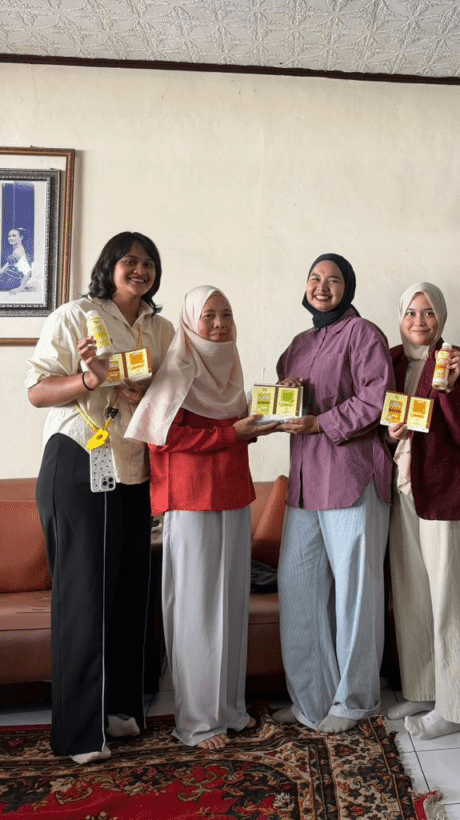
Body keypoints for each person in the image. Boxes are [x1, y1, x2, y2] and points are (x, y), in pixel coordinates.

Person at [26, 232, 174, 764]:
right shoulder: (75, 315)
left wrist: (143, 391)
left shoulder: (160, 329)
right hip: (77, 459)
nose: (140, 270)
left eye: (148, 263)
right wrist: (89, 379)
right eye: (129, 261)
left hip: (133, 465)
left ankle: (119, 711)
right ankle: (79, 733)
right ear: (109, 266)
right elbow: (37, 391)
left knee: (131, 592)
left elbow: (169, 394)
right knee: (84, 595)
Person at [126, 286, 277, 749]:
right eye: (209, 315)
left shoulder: (229, 366)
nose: (219, 324)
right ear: (191, 321)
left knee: (231, 605)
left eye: (226, 314)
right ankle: (196, 722)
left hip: (233, 495)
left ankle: (228, 709)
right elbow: (161, 438)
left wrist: (265, 415)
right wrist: (232, 433)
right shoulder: (177, 368)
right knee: (196, 609)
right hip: (190, 499)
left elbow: (233, 431)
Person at [270, 253, 394, 733]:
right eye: (315, 278)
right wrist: (285, 392)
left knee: (356, 597)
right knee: (298, 592)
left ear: (349, 287)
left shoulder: (364, 334)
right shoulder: (298, 344)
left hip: (351, 479)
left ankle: (356, 700)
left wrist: (320, 422)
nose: (322, 286)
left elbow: (376, 399)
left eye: (334, 279)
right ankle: (311, 699)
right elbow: (288, 404)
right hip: (304, 485)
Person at [385, 282, 460, 740]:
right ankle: (424, 690)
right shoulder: (390, 360)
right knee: (411, 595)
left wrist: (450, 386)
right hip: (402, 490)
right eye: (411, 313)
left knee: (449, 599)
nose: (419, 321)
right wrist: (389, 433)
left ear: (441, 317)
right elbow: (380, 423)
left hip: (447, 493)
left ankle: (457, 706)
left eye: (428, 313)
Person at [0, 227, 34, 292]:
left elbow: (27, 271)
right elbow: (4, 268)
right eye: (9, 236)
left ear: (21, 237)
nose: (11, 238)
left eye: (14, 236)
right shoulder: (16, 250)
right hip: (7, 278)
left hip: (12, 280)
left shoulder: (19, 251)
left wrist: (20, 288)